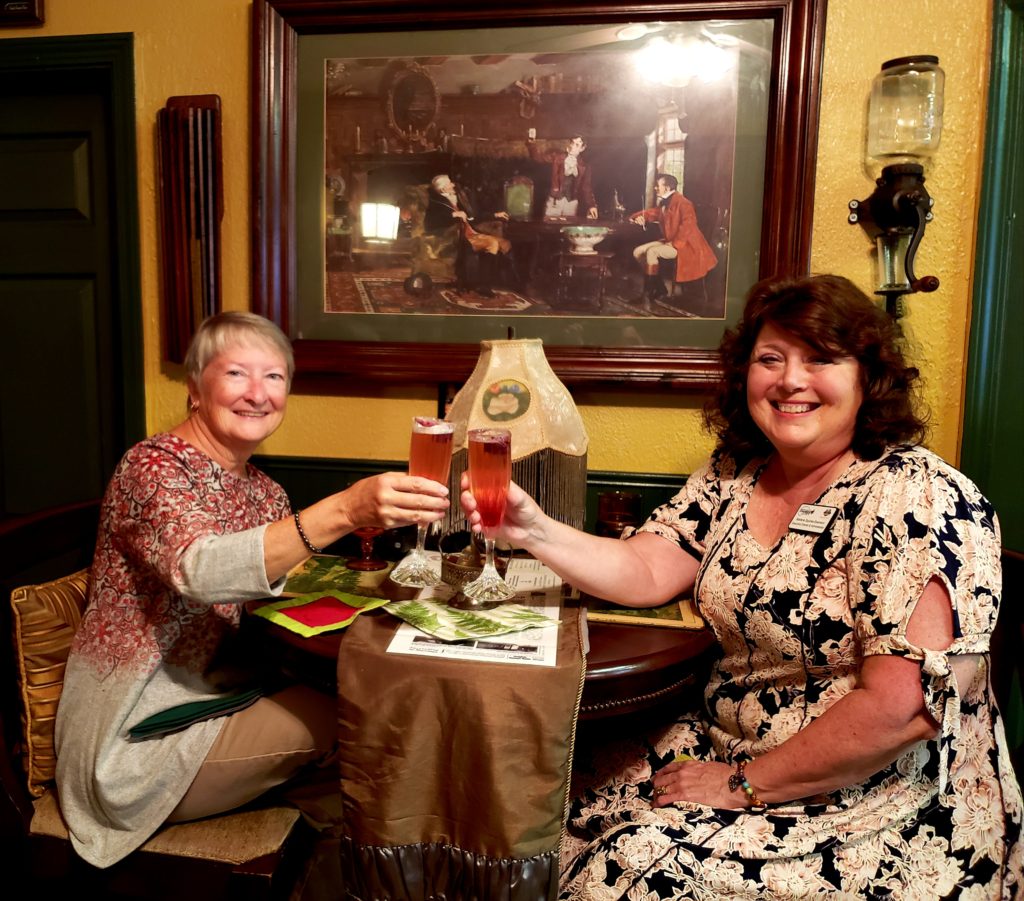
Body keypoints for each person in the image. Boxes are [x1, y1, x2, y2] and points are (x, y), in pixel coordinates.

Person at [461, 275, 1023, 898]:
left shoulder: (917, 498)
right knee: (537, 801)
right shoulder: (736, 473)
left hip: (875, 798)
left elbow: (901, 713)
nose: (790, 380)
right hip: (729, 743)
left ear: (869, 378)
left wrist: (743, 784)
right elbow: (647, 568)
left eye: (821, 360)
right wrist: (533, 528)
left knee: (624, 872)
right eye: (770, 359)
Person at [54, 311, 450, 869]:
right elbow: (200, 568)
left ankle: (377, 861)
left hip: (230, 699)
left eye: (275, 378)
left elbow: (286, 598)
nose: (258, 394)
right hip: (135, 741)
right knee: (372, 715)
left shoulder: (265, 491)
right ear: (195, 386)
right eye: (237, 373)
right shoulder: (153, 467)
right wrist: (344, 508)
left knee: (388, 714)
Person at [630, 172, 717, 303]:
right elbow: (652, 213)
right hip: (670, 241)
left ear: (667, 188)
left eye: (657, 185)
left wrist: (675, 243)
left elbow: (689, 225)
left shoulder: (683, 202)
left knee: (652, 252)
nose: (655, 188)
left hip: (687, 246)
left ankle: (647, 294)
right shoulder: (665, 203)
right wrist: (638, 217)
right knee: (637, 252)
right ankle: (659, 287)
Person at [424, 173, 512, 297]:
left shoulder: (458, 198)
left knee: (498, 243)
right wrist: (453, 215)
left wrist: (494, 215)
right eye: (450, 183)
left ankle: (483, 284)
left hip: (470, 233)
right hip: (452, 237)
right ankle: (483, 285)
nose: (453, 184)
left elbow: (472, 218)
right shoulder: (436, 202)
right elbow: (430, 222)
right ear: (443, 189)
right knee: (492, 243)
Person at [528, 134, 599, 220]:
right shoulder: (557, 157)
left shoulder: (584, 166)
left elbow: (586, 187)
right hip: (555, 200)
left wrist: (592, 205)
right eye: (572, 143)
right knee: (549, 226)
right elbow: (538, 157)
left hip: (571, 203)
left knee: (567, 227)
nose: (573, 146)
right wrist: (531, 144)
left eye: (577, 145)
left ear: (582, 148)